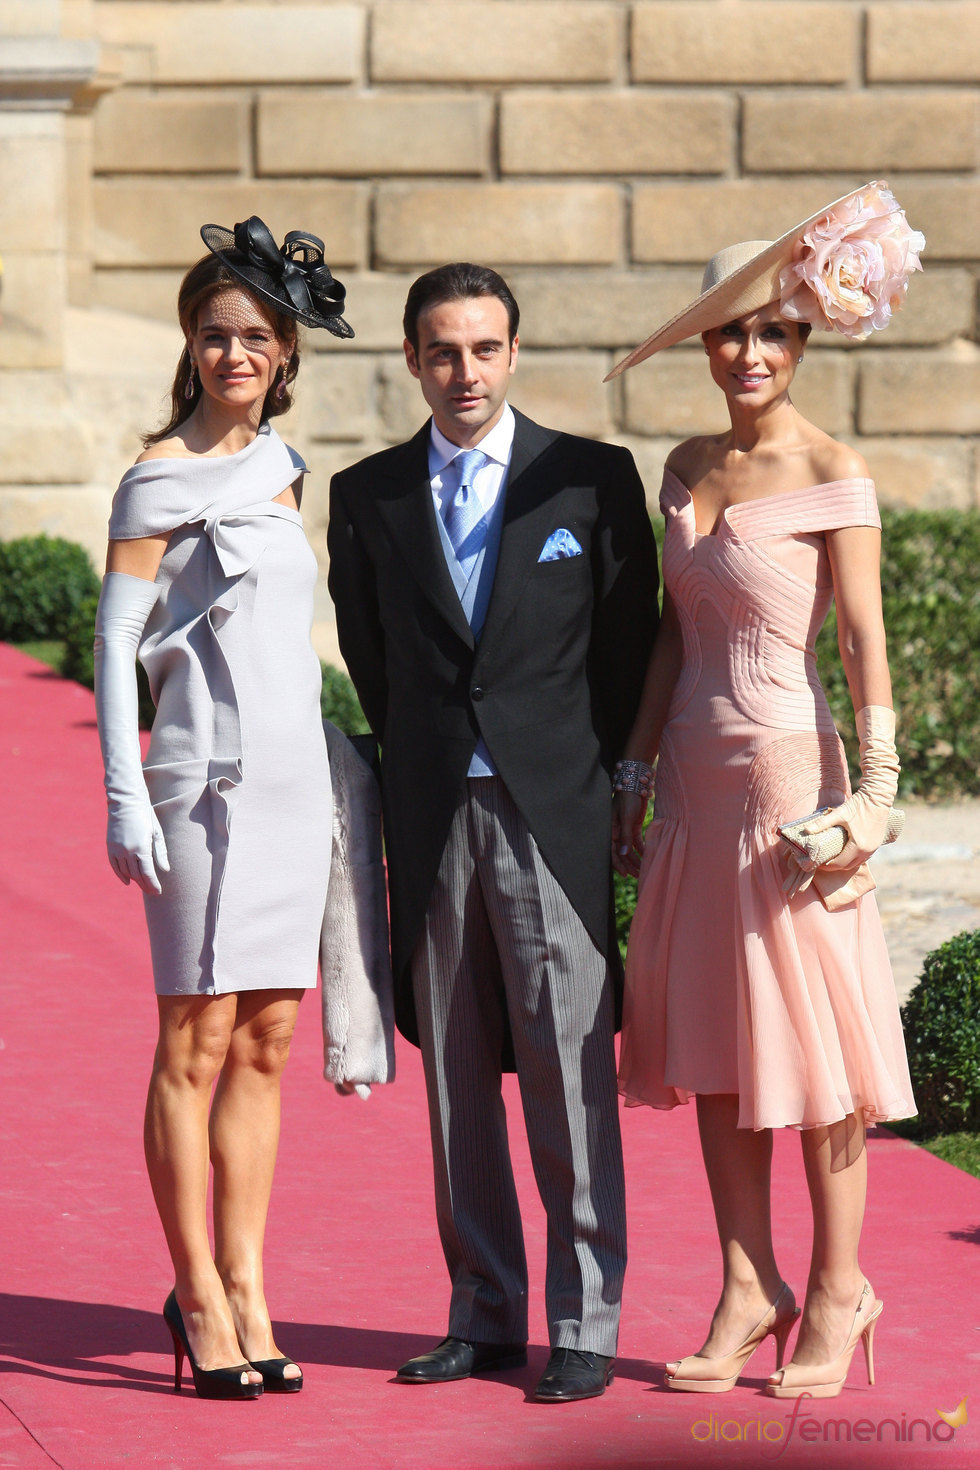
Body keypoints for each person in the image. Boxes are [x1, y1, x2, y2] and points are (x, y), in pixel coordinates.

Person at [609, 182, 920, 1400]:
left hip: (792, 785)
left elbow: (861, 645)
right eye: (730, 332)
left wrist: (876, 798)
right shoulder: (682, 464)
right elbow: (667, 640)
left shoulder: (833, 471)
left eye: (772, 332)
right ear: (704, 343)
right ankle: (750, 1284)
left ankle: (840, 1288)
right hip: (690, 784)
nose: (748, 352)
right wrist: (633, 779)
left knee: (816, 1053)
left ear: (803, 339)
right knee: (716, 1045)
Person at [328, 263, 659, 1402]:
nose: (461, 371)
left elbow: (626, 650)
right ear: (411, 360)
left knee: (569, 1072)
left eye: (481, 349)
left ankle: (585, 1317)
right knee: (456, 1079)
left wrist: (601, 777)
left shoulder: (589, 479)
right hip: (431, 818)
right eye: (439, 350)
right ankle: (482, 1309)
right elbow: (371, 659)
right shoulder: (366, 494)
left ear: (512, 353)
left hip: (550, 816)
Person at [94, 218, 353, 1399]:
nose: (234, 353)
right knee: (192, 1042)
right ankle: (195, 1290)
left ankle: (250, 1285)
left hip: (295, 781)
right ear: (189, 347)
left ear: (285, 353)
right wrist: (122, 794)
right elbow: (117, 647)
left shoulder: (283, 468)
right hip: (197, 788)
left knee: (270, 1039)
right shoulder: (155, 476)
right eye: (215, 335)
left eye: (255, 336)